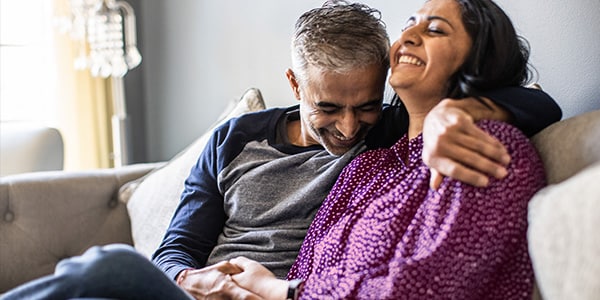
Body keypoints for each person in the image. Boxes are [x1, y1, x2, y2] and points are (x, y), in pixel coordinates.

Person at [0, 1, 560, 299]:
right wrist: (192, 280)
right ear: (295, 86)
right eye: (327, 109)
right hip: (212, 290)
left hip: (271, 296)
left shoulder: (392, 139)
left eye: (365, 105)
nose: (347, 128)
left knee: (107, 266)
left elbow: (535, 101)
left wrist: (460, 111)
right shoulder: (239, 139)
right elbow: (179, 245)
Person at [225, 0, 547, 299]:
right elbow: (304, 267)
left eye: (434, 29)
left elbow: (425, 289)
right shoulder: (367, 164)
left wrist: (283, 291)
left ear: (481, 58)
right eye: (409, 23)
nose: (409, 35)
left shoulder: (488, 148)